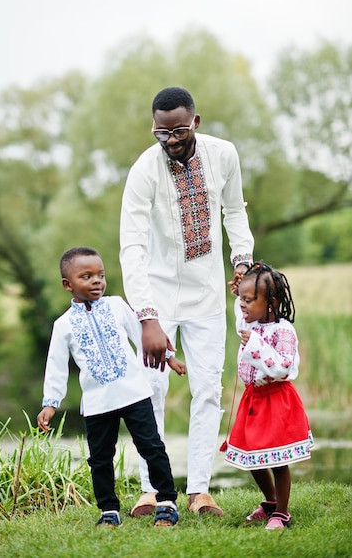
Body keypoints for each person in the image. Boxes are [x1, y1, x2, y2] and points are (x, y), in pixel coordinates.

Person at [119, 86, 254, 517]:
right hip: (157, 297)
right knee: (151, 389)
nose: (171, 140)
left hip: (209, 293)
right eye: (162, 133)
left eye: (179, 130)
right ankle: (152, 490)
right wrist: (147, 316)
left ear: (195, 121)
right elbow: (132, 246)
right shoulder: (145, 170)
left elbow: (234, 211)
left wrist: (243, 261)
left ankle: (199, 491)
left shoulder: (224, 155)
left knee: (208, 391)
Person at [37, 246, 186, 528]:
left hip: (135, 393)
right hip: (97, 403)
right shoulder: (63, 325)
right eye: (87, 276)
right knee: (100, 459)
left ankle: (166, 502)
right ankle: (109, 510)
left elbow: (143, 334)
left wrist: (169, 357)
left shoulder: (117, 305)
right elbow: (55, 365)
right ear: (68, 285)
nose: (97, 281)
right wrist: (50, 403)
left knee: (152, 447)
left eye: (101, 275)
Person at [225, 261, 314, 529]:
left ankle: (282, 513)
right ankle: (271, 501)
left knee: (277, 460)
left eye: (249, 300)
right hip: (252, 399)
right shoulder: (249, 318)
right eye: (241, 299)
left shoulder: (282, 330)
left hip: (275, 398)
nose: (243, 305)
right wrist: (240, 291)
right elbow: (240, 309)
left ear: (271, 302)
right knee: (253, 457)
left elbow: (284, 366)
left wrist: (255, 345)